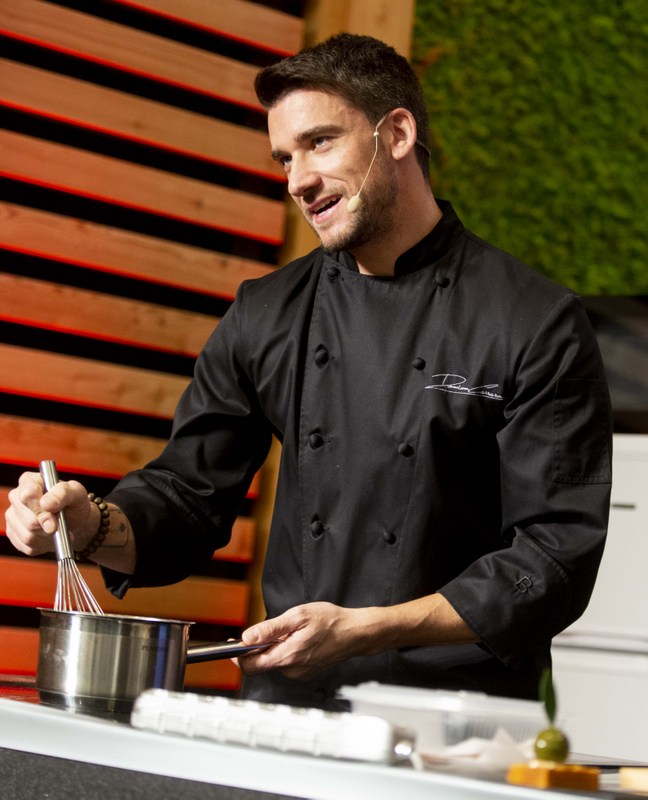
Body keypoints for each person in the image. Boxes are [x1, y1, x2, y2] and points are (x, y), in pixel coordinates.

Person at [6, 34, 612, 710]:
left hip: (455, 718)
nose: (297, 180)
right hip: (288, 705)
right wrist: (89, 524)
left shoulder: (532, 320)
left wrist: (370, 629)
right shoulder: (267, 313)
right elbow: (187, 498)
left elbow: (553, 557)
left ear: (397, 134)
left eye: (319, 143)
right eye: (285, 158)